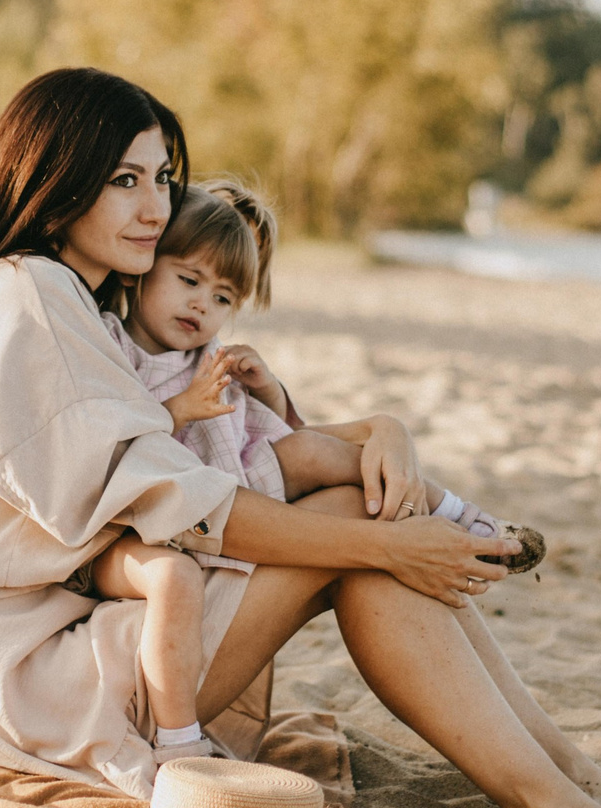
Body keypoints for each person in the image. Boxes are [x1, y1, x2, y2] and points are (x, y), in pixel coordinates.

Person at [0, 66, 601, 808]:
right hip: (19, 681)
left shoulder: (59, 296)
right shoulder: (29, 305)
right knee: (366, 533)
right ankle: (548, 797)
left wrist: (376, 434)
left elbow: (241, 463)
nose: (156, 209)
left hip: (46, 636)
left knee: (365, 515)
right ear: (55, 179)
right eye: (124, 180)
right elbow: (196, 508)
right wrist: (392, 542)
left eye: (162, 178)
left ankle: (560, 774)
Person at [88, 177, 546, 767]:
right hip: (187, 514)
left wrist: (269, 389)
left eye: (224, 298)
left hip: (241, 485)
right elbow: (122, 441)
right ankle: (446, 526)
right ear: (142, 271)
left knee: (324, 463)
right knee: (329, 484)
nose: (203, 305)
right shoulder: (113, 345)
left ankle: (455, 513)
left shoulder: (210, 357)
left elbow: (267, 434)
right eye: (189, 281)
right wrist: (181, 408)